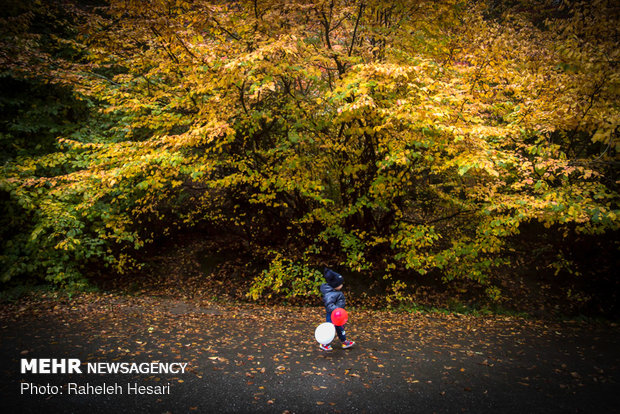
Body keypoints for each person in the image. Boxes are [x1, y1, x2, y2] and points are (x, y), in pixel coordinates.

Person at [319, 268, 355, 351]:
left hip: (338, 315)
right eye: (340, 284)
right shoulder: (330, 294)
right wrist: (337, 309)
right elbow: (329, 305)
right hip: (332, 314)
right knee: (329, 328)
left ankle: (344, 341)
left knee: (340, 327)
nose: (342, 285)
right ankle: (324, 343)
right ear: (334, 285)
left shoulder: (335, 292)